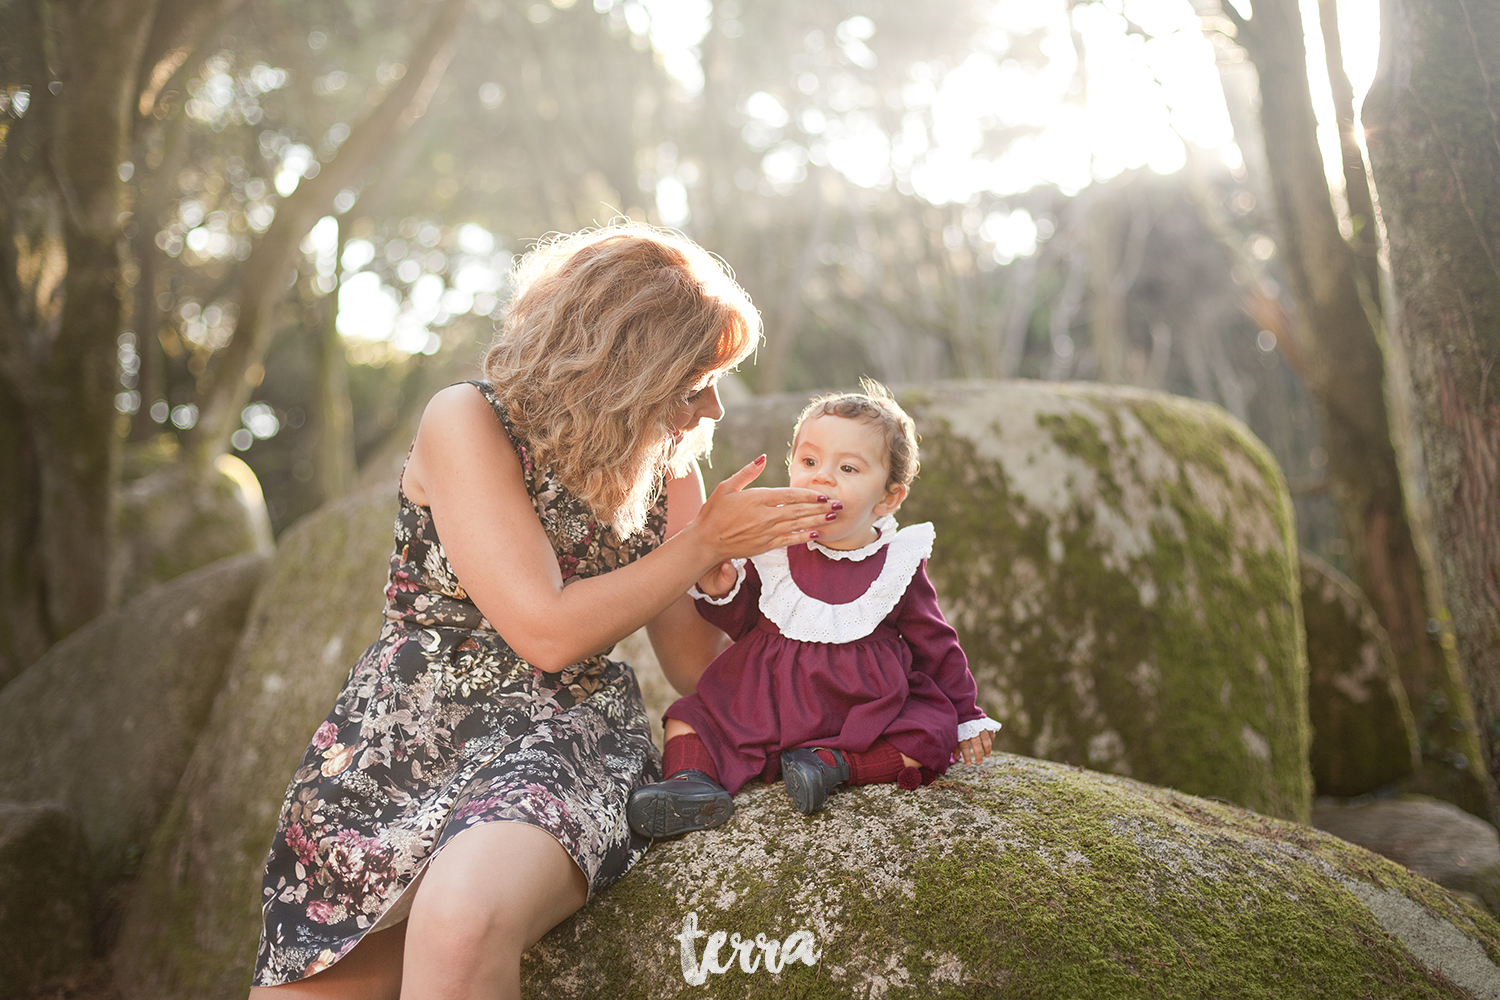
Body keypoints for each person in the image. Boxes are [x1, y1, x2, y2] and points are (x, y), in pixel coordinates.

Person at [247, 224, 834, 1000]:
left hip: (559, 735)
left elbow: (692, 666)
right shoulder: (466, 419)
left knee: (459, 921)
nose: (715, 407)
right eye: (696, 381)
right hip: (398, 738)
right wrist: (695, 551)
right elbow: (544, 626)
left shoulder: (670, 470)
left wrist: (771, 612)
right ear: (625, 369)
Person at [627, 380, 1001, 837]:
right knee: (689, 716)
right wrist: (723, 589)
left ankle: (834, 766)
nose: (822, 477)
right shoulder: (772, 547)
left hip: (863, 709)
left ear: (888, 498)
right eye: (809, 461)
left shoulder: (896, 563)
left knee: (931, 734)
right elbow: (745, 622)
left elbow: (936, 644)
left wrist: (966, 714)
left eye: (847, 468)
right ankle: (691, 785)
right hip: (770, 700)